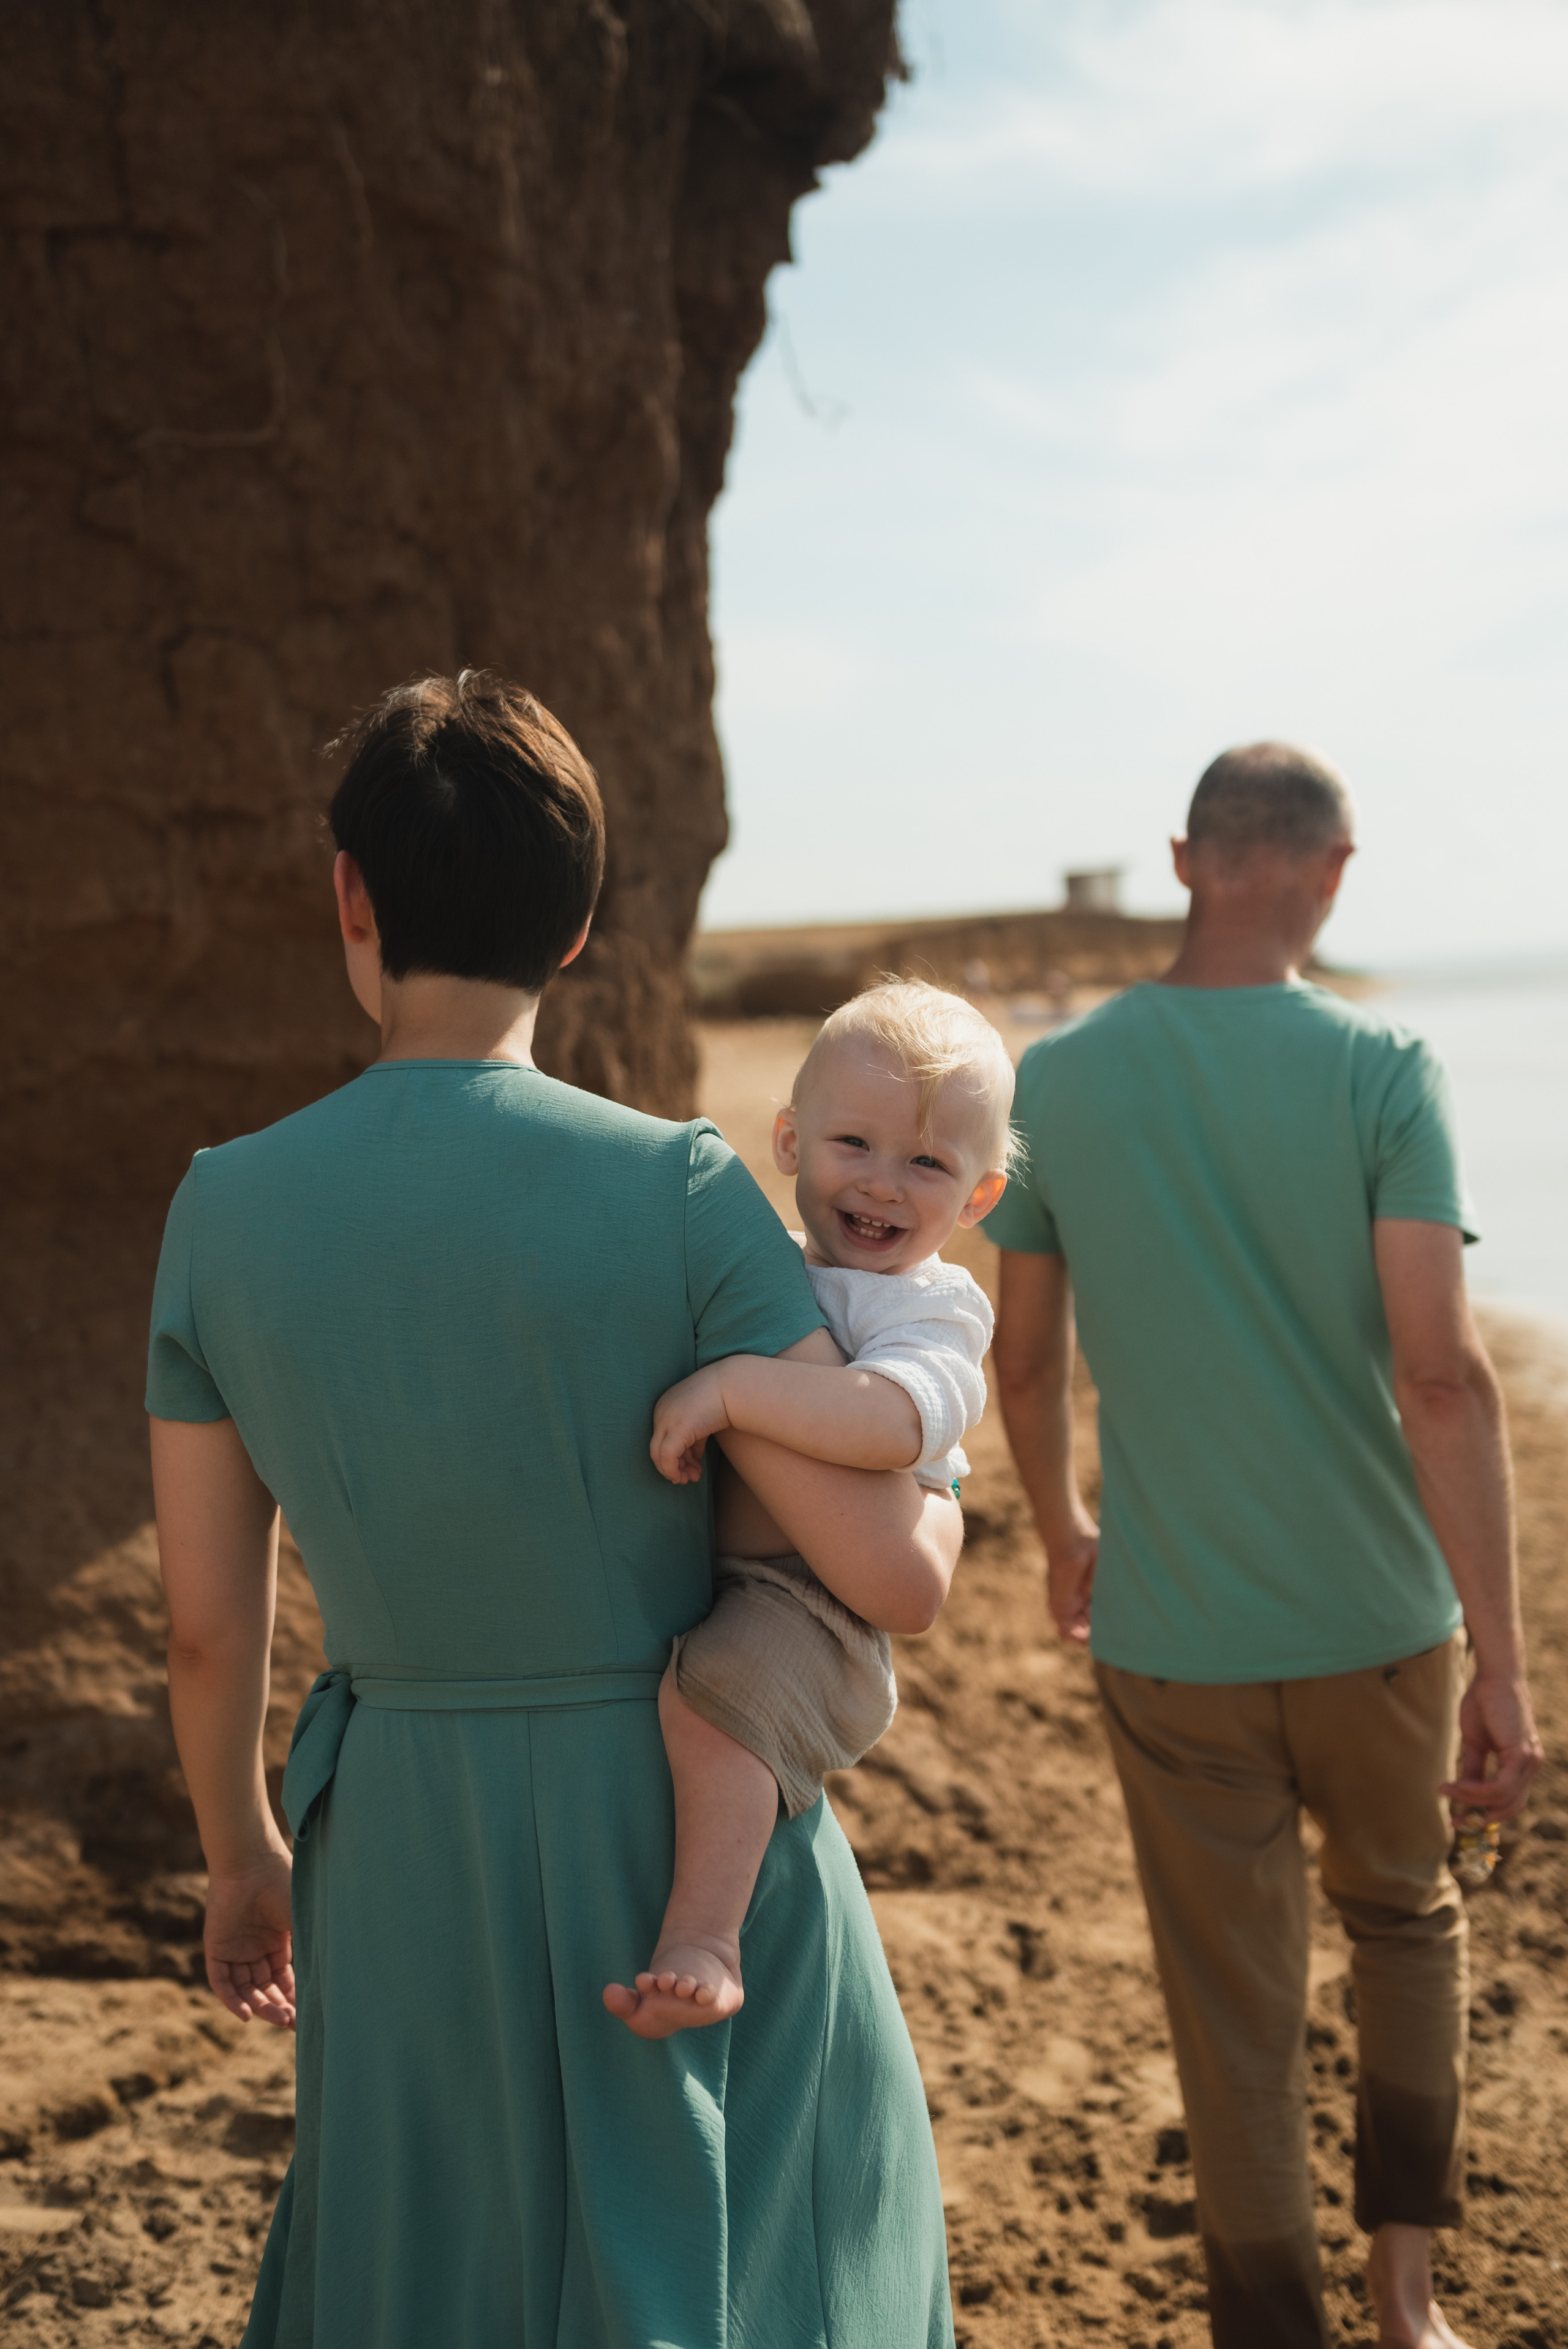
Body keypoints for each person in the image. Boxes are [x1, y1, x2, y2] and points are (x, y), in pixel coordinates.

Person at [146, 670, 960, 2348]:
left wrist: (243, 1854)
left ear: (350, 895)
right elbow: (880, 1566)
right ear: (580, 926)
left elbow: (207, 1624)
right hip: (673, 1842)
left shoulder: (221, 1212)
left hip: (395, 1846)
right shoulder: (676, 1188)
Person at [986, 742, 1544, 2349]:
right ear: (1336, 871)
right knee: (1405, 1922)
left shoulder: (1060, 1080)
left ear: (1181, 860)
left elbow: (1024, 1364)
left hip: (1173, 1637)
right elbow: (1441, 1376)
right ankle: (1411, 2303)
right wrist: (1504, 1661)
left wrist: (1070, 1527)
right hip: (1383, 1618)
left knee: (1233, 2012)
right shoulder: (1387, 1071)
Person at [609, 982, 1011, 2033]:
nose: (883, 1184)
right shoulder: (777, 1270)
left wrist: (738, 1389)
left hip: (813, 1610)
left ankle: (706, 1936)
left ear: (978, 1197)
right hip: (741, 1572)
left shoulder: (932, 1309)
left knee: (716, 1702)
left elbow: (892, 1423)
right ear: (789, 1141)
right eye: (854, 1143)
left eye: (928, 1163)